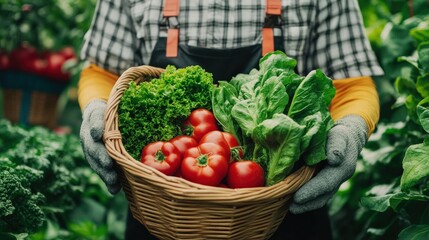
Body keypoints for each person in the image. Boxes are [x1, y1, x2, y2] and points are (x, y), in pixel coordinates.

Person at [78, 0, 383, 239]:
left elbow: (352, 85)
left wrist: (351, 129)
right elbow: (103, 71)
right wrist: (96, 108)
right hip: (161, 209)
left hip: (285, 210)